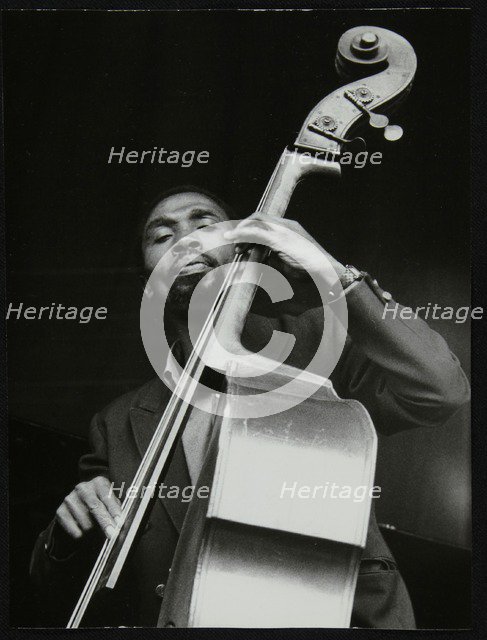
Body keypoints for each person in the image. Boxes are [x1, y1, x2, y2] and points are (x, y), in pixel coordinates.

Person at [30, 187, 470, 628]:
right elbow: (56, 583)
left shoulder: (317, 345)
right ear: (148, 280)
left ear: (245, 251)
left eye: (205, 225)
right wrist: (68, 528)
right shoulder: (118, 420)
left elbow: (440, 390)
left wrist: (335, 277)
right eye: (161, 236)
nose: (186, 239)